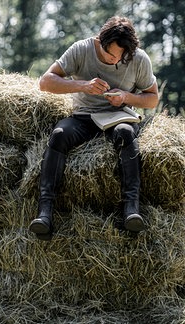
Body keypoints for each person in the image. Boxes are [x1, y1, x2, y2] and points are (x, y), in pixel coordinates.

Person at [29, 16, 159, 240]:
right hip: (83, 117)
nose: (114, 61)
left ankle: (131, 209)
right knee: (59, 134)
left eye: (120, 58)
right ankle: (45, 212)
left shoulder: (139, 59)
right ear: (101, 41)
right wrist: (83, 86)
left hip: (118, 116)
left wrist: (126, 97)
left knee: (127, 133)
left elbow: (152, 99)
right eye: (110, 55)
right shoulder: (81, 49)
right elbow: (45, 82)